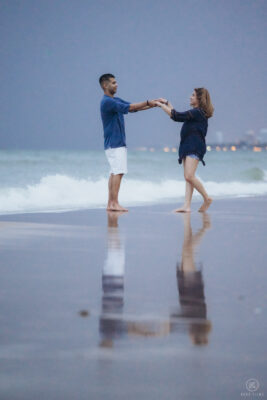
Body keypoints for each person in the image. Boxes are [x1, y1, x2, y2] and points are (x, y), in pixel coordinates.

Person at [99, 73, 158, 212]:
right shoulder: (108, 102)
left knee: (115, 172)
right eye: (113, 83)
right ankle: (114, 203)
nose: (116, 84)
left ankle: (111, 204)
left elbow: (133, 108)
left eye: (116, 82)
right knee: (118, 172)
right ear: (105, 85)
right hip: (115, 143)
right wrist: (149, 102)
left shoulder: (114, 100)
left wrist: (154, 104)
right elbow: (131, 107)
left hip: (113, 144)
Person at [155, 88, 214, 212]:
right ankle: (186, 206)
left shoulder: (198, 112)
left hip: (194, 146)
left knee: (189, 176)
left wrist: (160, 105)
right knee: (188, 177)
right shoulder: (195, 112)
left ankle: (207, 198)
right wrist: (167, 103)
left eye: (193, 95)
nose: (190, 97)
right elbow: (176, 114)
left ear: (199, 99)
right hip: (187, 146)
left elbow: (176, 116)